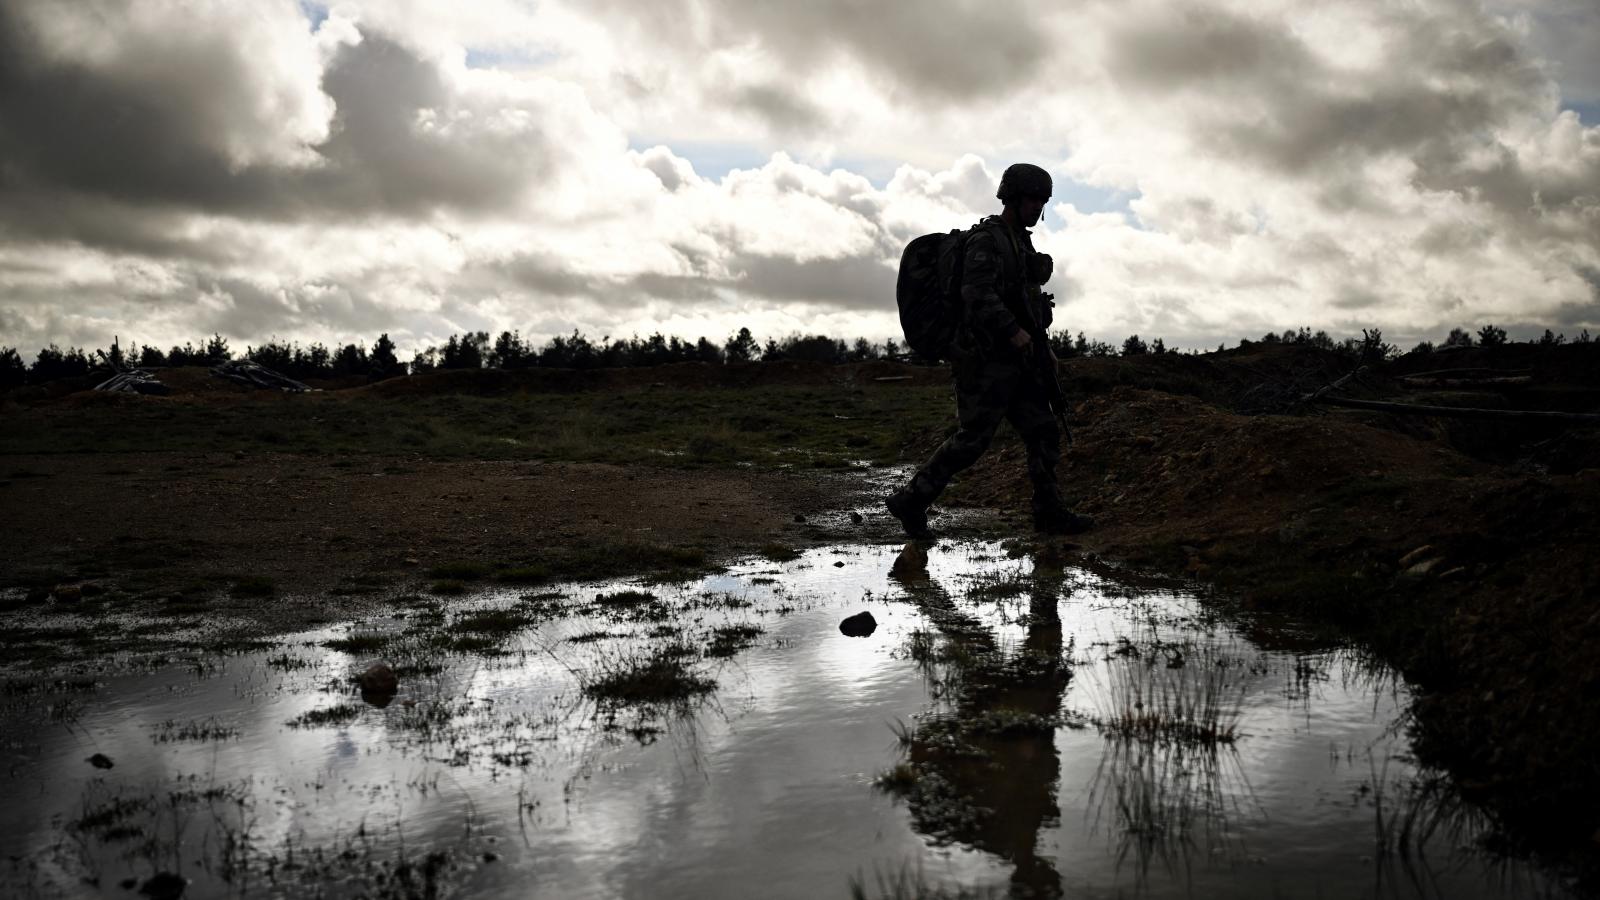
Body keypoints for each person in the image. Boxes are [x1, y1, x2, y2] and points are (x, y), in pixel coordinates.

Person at [886, 163, 1093, 538]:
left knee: (1043, 430)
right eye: (1032, 198)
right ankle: (911, 500)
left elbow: (1027, 301)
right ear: (1012, 198)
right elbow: (976, 294)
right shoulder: (987, 240)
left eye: (1043, 200)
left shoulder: (1020, 242)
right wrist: (1012, 331)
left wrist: (1042, 347)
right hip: (983, 361)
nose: (1038, 207)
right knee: (972, 441)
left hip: (1019, 361)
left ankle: (1048, 512)